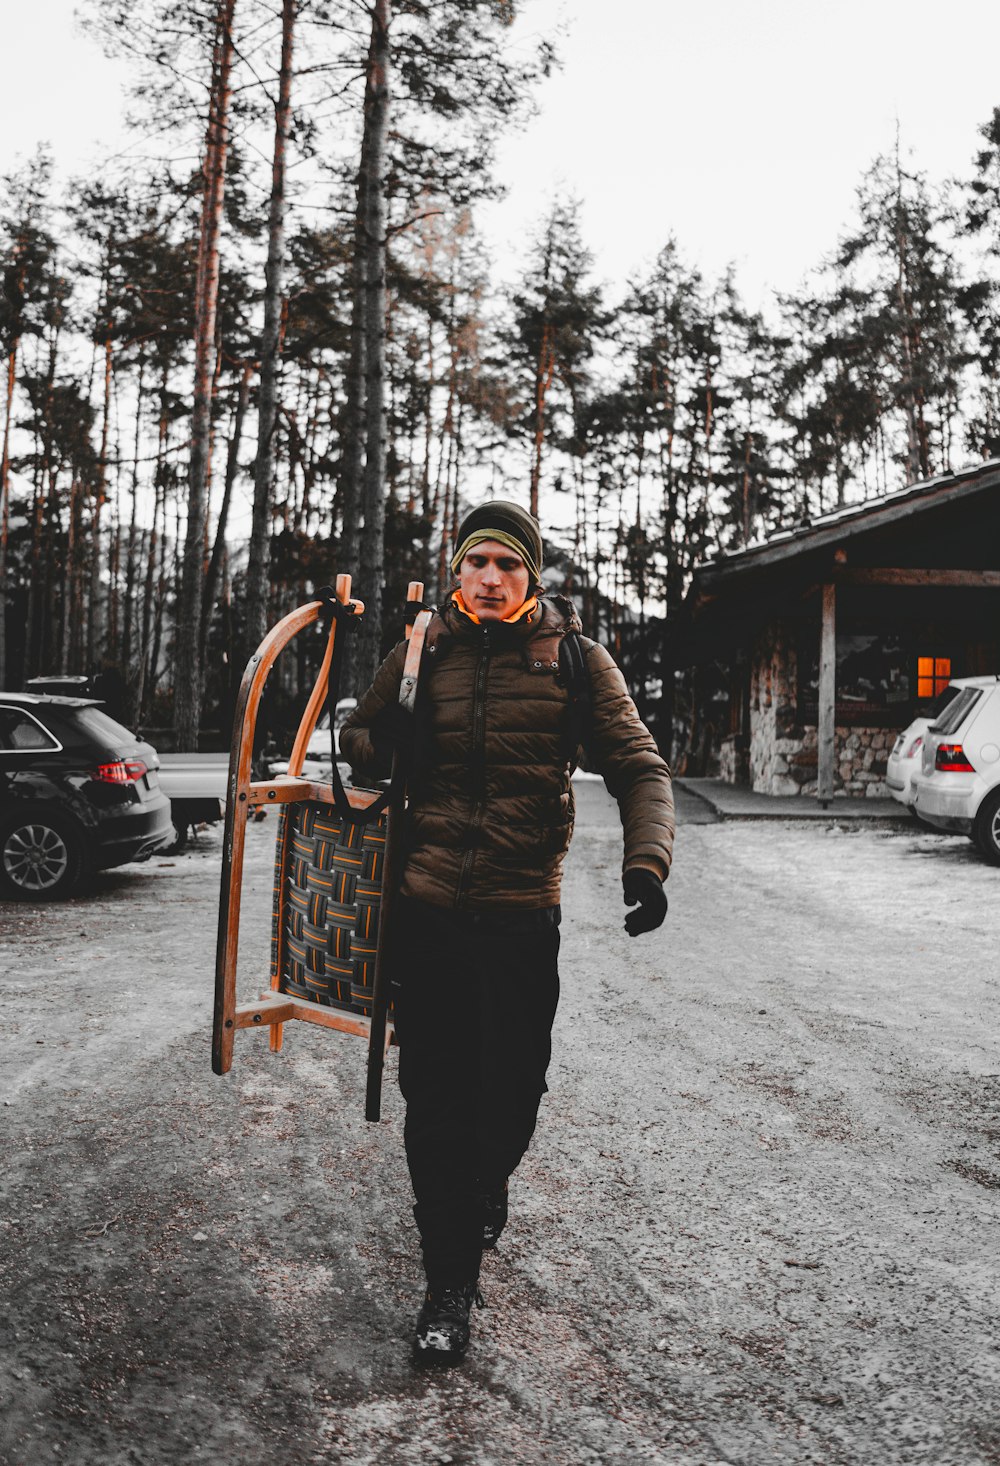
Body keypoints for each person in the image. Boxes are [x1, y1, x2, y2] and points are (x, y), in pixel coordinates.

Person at [340, 499, 675, 1367]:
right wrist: (386, 742)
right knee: (437, 1100)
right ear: (458, 571)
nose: (490, 579)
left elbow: (639, 765)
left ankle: (488, 1183)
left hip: (524, 914)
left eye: (509, 566)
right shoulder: (423, 650)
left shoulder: (573, 661)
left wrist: (649, 862)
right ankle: (448, 1283)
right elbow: (359, 736)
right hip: (428, 914)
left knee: (513, 1094)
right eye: (477, 563)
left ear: (532, 577)